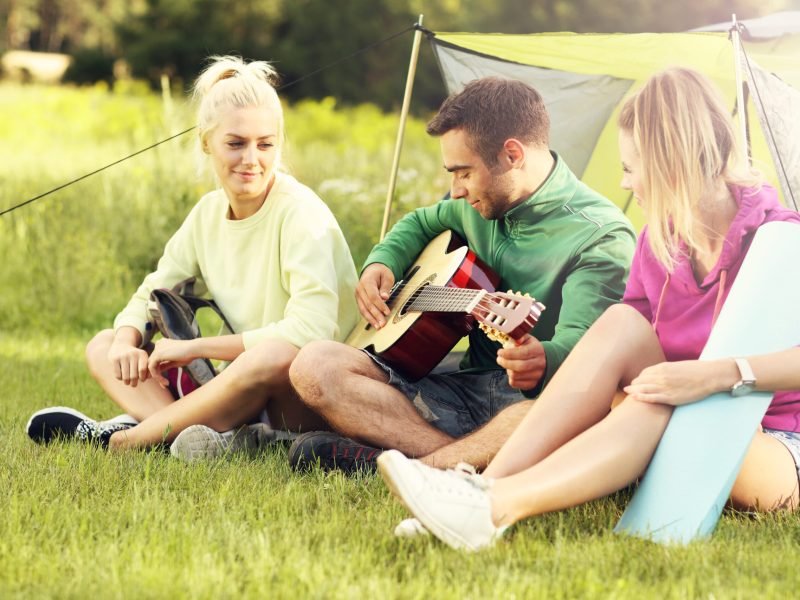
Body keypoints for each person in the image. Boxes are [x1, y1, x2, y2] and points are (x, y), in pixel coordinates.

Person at [376, 67, 800, 551]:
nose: (624, 181)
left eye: (630, 167)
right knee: (622, 325)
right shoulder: (658, 242)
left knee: (658, 397)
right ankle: (480, 491)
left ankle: (493, 505)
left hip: (776, 446)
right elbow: (623, 352)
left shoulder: (784, 240)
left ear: (669, 164)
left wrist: (719, 374)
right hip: (677, 412)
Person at [287, 77, 636, 474]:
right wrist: (382, 261)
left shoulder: (600, 235)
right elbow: (420, 222)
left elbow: (586, 349)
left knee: (548, 420)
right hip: (460, 391)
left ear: (512, 155)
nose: (454, 191)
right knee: (314, 366)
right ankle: (457, 462)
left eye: (463, 173)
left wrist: (543, 357)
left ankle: (408, 463)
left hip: (527, 407)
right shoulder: (475, 204)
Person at [26, 55, 359, 457]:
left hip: (307, 395)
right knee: (102, 345)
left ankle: (128, 439)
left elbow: (312, 332)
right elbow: (153, 292)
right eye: (235, 143)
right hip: (243, 389)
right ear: (207, 142)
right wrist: (126, 341)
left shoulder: (300, 214)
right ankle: (184, 437)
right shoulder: (206, 215)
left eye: (265, 144)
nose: (251, 159)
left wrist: (194, 349)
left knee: (271, 354)